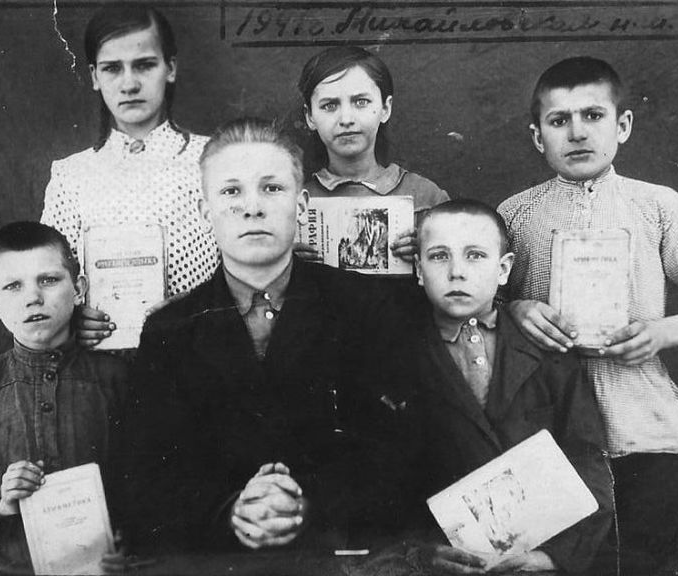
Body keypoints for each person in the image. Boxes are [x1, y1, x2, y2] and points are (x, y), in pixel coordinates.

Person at [117, 118, 419, 554]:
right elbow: (144, 478)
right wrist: (231, 511)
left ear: (301, 205)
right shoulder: (169, 330)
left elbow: (400, 453)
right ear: (204, 211)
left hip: (335, 556)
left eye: (272, 188)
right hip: (218, 560)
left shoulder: (365, 308)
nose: (252, 208)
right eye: (231, 191)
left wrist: (306, 503)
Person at [497, 56, 678, 570]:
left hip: (644, 431)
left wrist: (663, 332)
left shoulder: (659, 207)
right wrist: (514, 308)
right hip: (547, 439)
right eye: (559, 120)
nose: (577, 132)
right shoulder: (514, 215)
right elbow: (475, 310)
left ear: (623, 125)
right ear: (538, 136)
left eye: (593, 115)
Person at [409, 200, 613, 575]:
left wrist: (553, 558)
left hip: (538, 559)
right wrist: (420, 552)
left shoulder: (546, 349)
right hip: (443, 562)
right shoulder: (398, 354)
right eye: (439, 256)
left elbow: (587, 458)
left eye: (475, 255)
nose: (457, 272)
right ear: (419, 270)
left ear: (503, 270)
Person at [0, 222, 128, 574]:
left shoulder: (117, 379)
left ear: (78, 289)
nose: (33, 297)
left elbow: (150, 480)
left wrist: (133, 539)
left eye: (48, 280)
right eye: (13, 286)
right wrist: (0, 503)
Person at [40, 4, 217, 347]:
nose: (129, 83)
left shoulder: (215, 159)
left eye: (145, 65)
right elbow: (48, 277)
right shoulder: (70, 177)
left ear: (170, 68)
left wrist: (196, 307)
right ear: (94, 76)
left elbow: (246, 268)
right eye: (112, 69)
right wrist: (72, 316)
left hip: (197, 356)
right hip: (98, 366)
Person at [296, 46, 449, 263]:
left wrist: (431, 251)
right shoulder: (294, 202)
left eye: (361, 102)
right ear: (310, 116)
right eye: (329, 105)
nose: (346, 119)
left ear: (385, 108)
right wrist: (286, 260)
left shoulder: (426, 197)